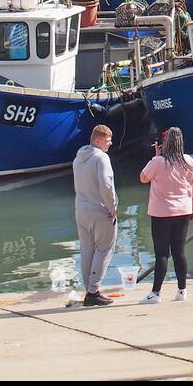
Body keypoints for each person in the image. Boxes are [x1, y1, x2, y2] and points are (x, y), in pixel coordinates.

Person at [139, 127, 193, 303]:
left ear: (165, 144)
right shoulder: (188, 161)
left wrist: (156, 156)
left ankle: (156, 293)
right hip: (183, 211)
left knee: (162, 254)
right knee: (179, 252)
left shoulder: (158, 162)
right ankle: (182, 291)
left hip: (161, 213)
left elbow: (143, 178)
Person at [72, 125, 118, 307]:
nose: (110, 144)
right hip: (100, 210)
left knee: (87, 250)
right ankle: (93, 291)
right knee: (104, 249)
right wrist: (112, 206)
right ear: (97, 140)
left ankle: (89, 288)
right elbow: (106, 185)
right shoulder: (101, 158)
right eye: (107, 141)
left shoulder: (78, 159)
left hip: (81, 210)